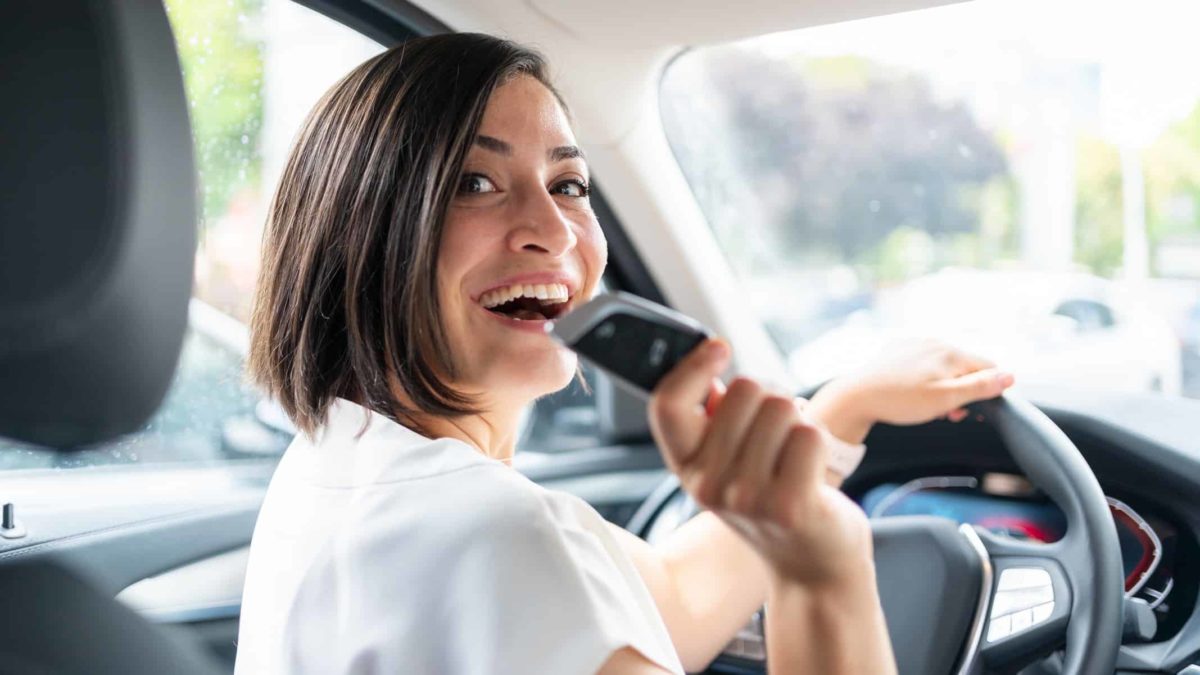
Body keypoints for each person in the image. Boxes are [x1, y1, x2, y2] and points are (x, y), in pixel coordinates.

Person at [235, 32, 1014, 675]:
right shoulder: (495, 532)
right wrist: (823, 572)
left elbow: (668, 599)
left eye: (569, 183)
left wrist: (842, 409)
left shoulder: (340, 465)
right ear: (360, 237)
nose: (554, 228)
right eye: (475, 181)